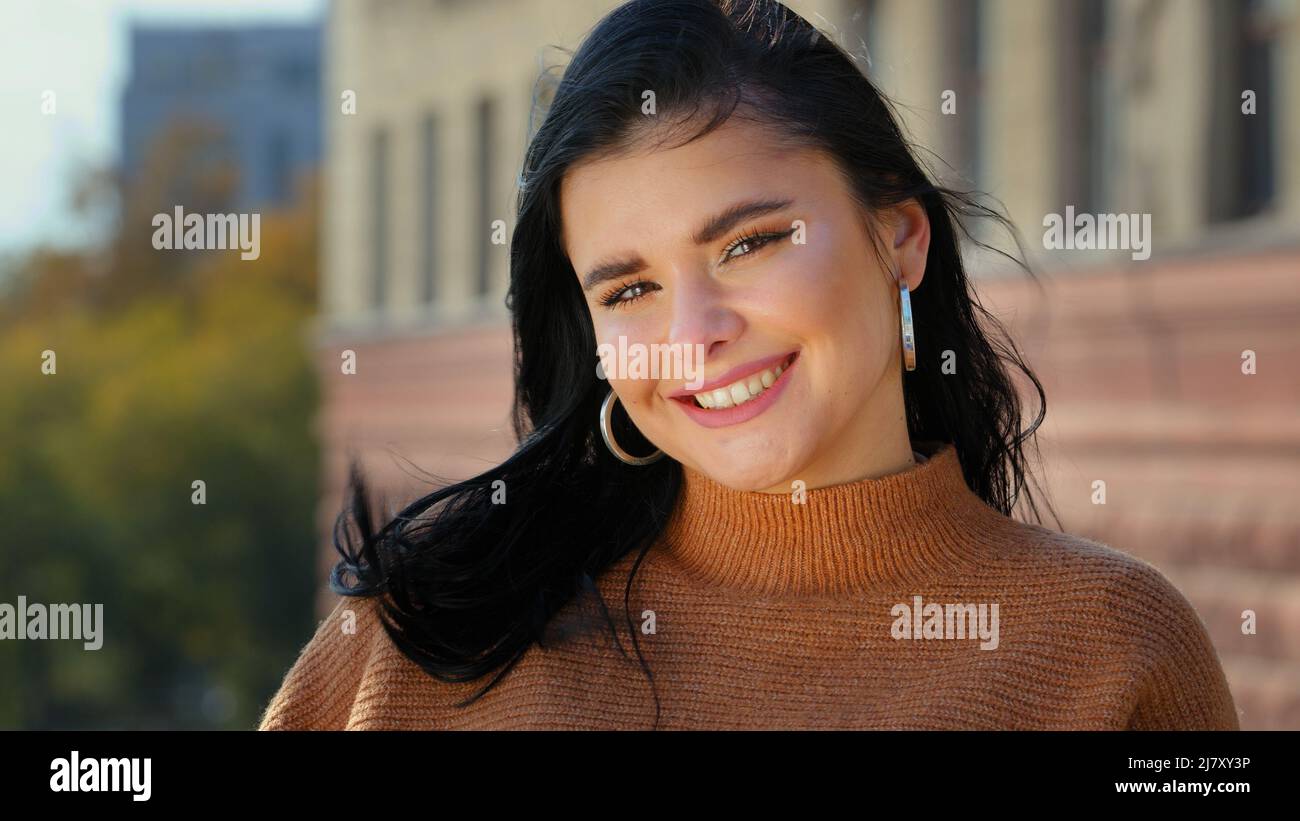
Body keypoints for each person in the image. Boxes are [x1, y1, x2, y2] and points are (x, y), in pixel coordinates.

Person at [259, 0, 1238, 730]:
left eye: (750, 242)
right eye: (629, 288)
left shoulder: (1116, 645)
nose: (695, 328)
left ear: (897, 235)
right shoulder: (425, 641)